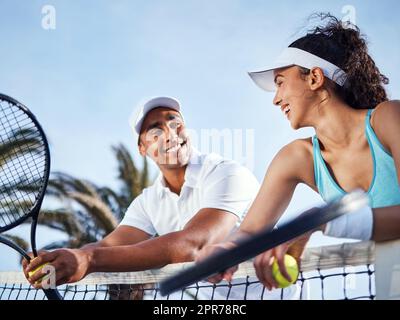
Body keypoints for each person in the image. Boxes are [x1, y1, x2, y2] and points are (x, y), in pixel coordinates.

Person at [197, 14, 400, 291]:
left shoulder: (390, 117)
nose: (276, 98)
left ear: (315, 77)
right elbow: (251, 232)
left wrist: (320, 222)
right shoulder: (297, 158)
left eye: (280, 82)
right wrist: (226, 250)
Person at [24, 96, 294, 299]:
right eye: (155, 129)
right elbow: (107, 245)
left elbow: (193, 245)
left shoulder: (226, 173)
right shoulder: (148, 201)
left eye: (175, 122)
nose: (169, 133)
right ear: (142, 148)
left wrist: (89, 261)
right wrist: (63, 258)